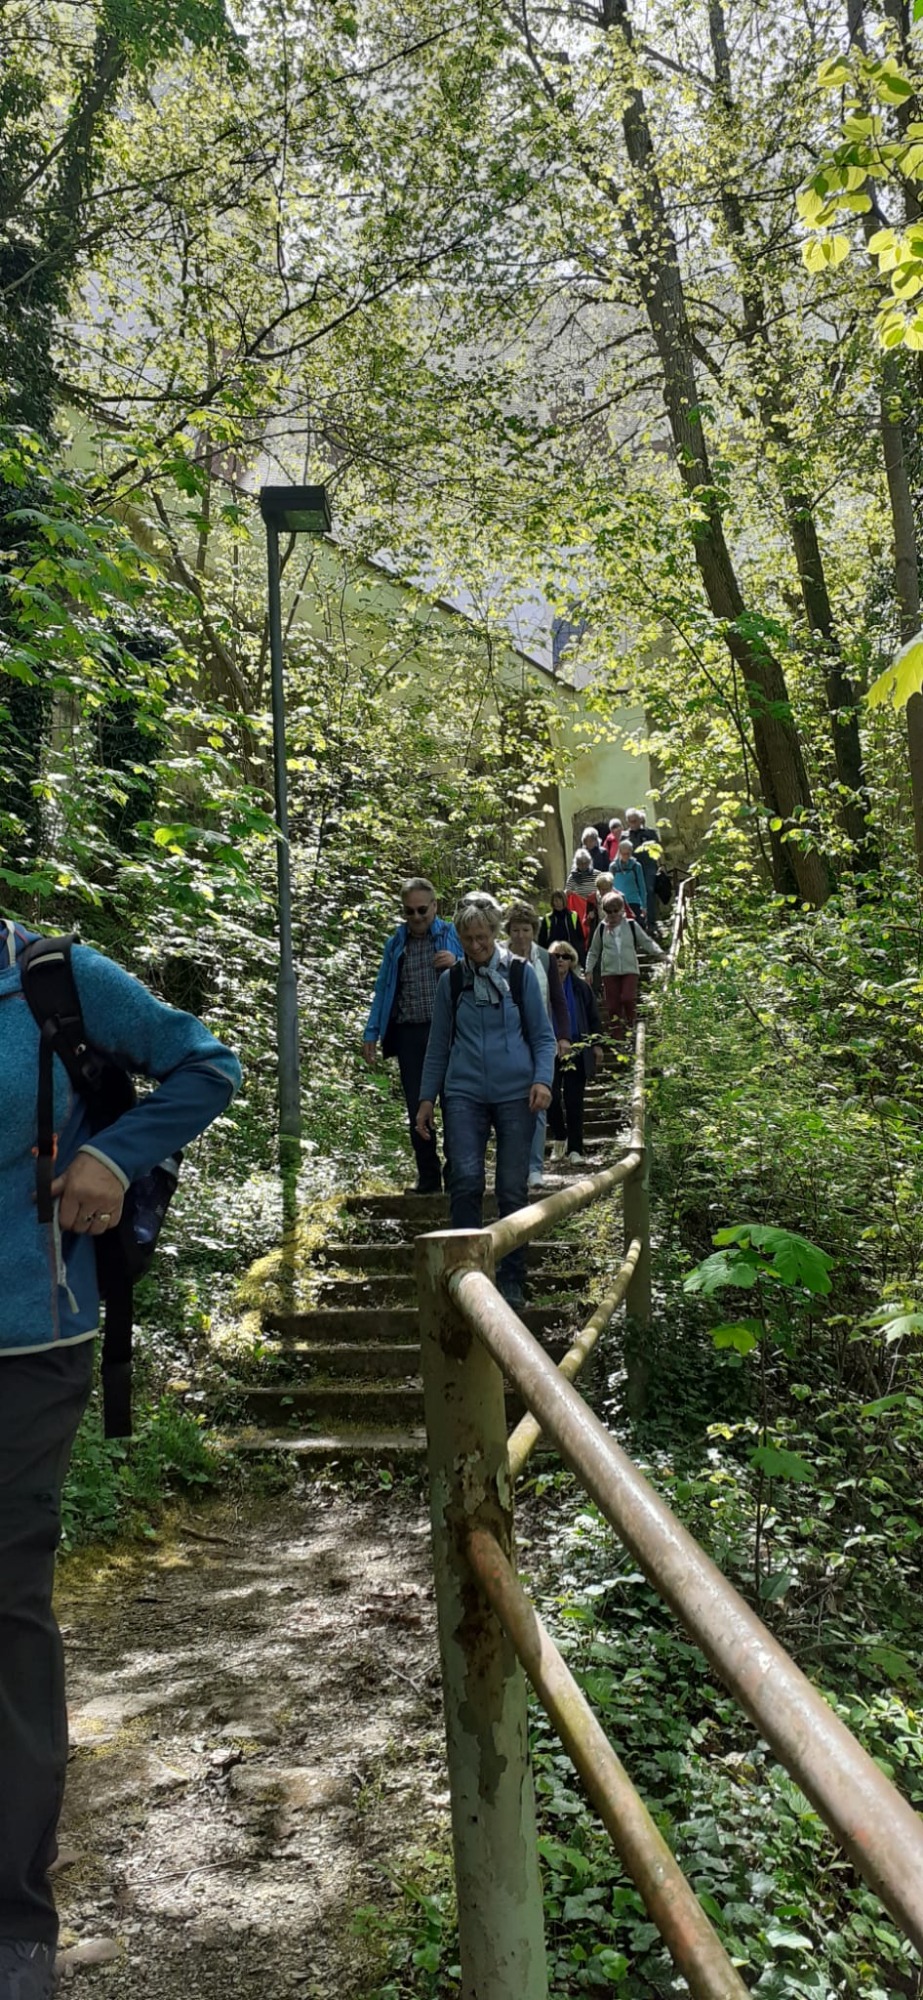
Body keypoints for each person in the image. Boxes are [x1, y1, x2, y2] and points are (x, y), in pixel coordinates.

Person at [0, 917, 241, 2000]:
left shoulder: (51, 980)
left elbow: (206, 1063)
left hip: (27, 1340)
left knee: (4, 1604)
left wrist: (110, 1154)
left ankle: (13, 1928)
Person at [416, 896, 556, 1310]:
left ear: (495, 933)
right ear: (458, 938)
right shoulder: (451, 982)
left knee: (511, 1188)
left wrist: (542, 1080)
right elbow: (437, 1046)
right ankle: (467, 1278)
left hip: (516, 1092)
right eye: (467, 938)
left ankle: (512, 1280)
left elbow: (542, 1036)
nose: (475, 946)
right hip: (463, 1092)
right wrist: (426, 1100)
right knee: (464, 1179)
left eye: (482, 937)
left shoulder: (520, 974)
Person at [361, 878, 463, 1194]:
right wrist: (371, 1032)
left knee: (455, 1102)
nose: (416, 917)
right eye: (409, 911)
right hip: (409, 1034)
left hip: (449, 1032)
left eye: (422, 910)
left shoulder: (452, 934)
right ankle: (428, 1177)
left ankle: (457, 1174)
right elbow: (383, 988)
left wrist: (457, 963)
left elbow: (480, 967)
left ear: (435, 906)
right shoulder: (396, 945)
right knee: (417, 1106)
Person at [506, 901, 571, 1190]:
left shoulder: (545, 958)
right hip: (508, 1042)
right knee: (510, 1104)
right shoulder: (498, 958)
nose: (521, 936)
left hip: (541, 1042)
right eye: (515, 930)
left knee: (540, 1101)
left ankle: (535, 1167)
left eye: (526, 930)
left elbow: (557, 999)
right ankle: (515, 1164)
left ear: (534, 931)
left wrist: (563, 1035)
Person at [547, 940, 601, 1163]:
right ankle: (560, 1136)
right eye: (556, 956)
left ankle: (576, 1149)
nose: (560, 960)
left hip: (577, 1047)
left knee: (573, 1100)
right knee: (550, 1096)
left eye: (565, 956)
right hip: (548, 1048)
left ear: (572, 961)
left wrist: (596, 1044)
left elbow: (593, 1017)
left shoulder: (581, 987)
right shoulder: (542, 985)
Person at [586, 891, 664, 1045]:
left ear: (621, 909)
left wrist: (660, 953)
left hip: (629, 970)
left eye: (616, 910)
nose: (613, 914)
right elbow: (594, 951)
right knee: (612, 1006)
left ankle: (631, 1026)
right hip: (609, 972)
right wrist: (589, 970)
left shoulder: (631, 925)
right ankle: (617, 1039)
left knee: (628, 997)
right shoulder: (601, 928)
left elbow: (646, 941)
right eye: (609, 911)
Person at [626, 808, 661, 930]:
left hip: (648, 867)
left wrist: (661, 866)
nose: (633, 824)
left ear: (640, 820)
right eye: (630, 821)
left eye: (635, 821)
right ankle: (638, 924)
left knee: (648, 892)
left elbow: (658, 851)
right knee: (634, 894)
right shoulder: (625, 836)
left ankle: (651, 923)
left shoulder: (650, 833)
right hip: (632, 870)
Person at [538, 890, 585, 965]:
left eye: (560, 900)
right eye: (556, 901)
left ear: (564, 901)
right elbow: (542, 940)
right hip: (553, 956)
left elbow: (580, 938)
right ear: (552, 902)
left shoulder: (573, 915)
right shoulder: (548, 918)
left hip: (570, 955)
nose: (558, 903)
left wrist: (581, 958)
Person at [611, 838, 647, 923]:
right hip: (618, 903)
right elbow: (611, 886)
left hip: (634, 902)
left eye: (628, 854)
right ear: (620, 852)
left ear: (631, 852)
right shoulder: (613, 867)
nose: (626, 856)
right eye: (624, 854)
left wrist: (644, 906)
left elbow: (642, 886)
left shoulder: (636, 866)